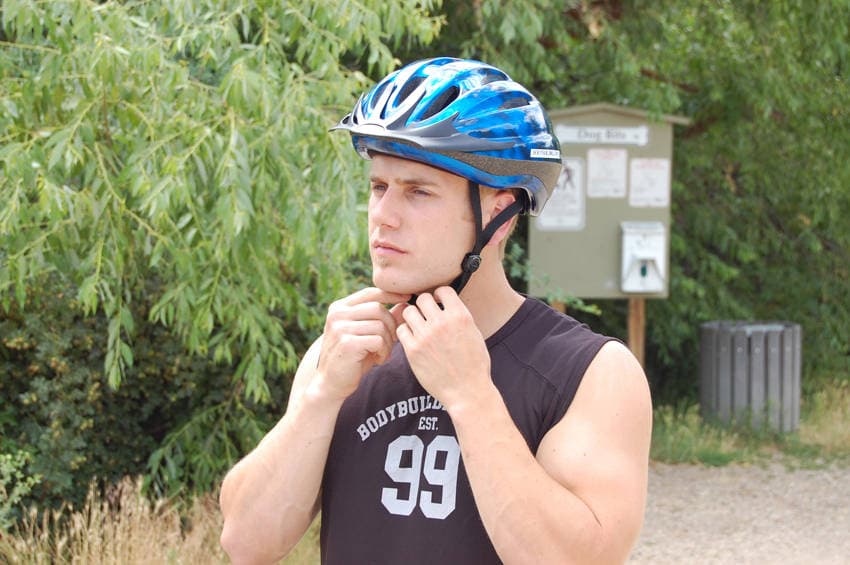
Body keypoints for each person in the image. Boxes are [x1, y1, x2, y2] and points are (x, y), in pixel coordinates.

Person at [219, 57, 652, 564]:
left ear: (499, 215)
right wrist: (321, 395)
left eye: (418, 192)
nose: (383, 217)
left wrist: (471, 396)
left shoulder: (590, 371)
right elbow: (245, 542)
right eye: (378, 187)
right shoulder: (344, 352)